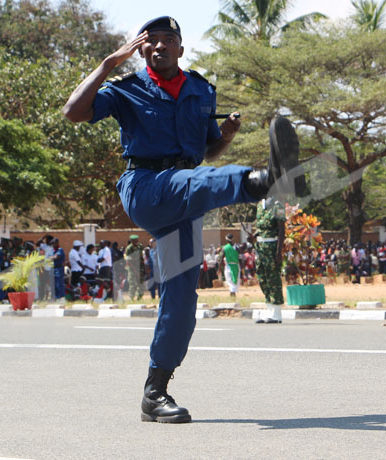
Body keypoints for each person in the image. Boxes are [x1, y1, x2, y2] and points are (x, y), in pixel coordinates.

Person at [63, 15, 302, 423]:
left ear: (180, 47)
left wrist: (224, 136)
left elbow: (207, 154)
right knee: (193, 182)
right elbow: (73, 112)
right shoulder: (125, 89)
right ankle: (260, 182)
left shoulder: (200, 89)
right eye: (149, 41)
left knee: (181, 299)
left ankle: (155, 393)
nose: (158, 47)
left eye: (167, 40)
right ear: (139, 50)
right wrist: (107, 64)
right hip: (146, 186)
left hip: (188, 191)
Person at [253, 197, 286, 324]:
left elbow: (282, 229)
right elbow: (260, 228)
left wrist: (279, 252)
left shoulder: (278, 206)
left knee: (273, 279)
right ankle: (269, 310)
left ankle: (276, 314)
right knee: (263, 278)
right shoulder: (259, 205)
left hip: (272, 247)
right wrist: (254, 236)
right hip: (260, 248)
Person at [125, 235, 145, 301]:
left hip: (140, 268)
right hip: (132, 269)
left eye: (137, 240)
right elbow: (129, 261)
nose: (137, 241)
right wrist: (135, 270)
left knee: (141, 284)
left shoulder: (140, 246)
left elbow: (143, 257)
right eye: (135, 240)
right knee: (132, 284)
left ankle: (139, 298)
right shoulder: (129, 248)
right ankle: (131, 299)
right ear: (131, 241)